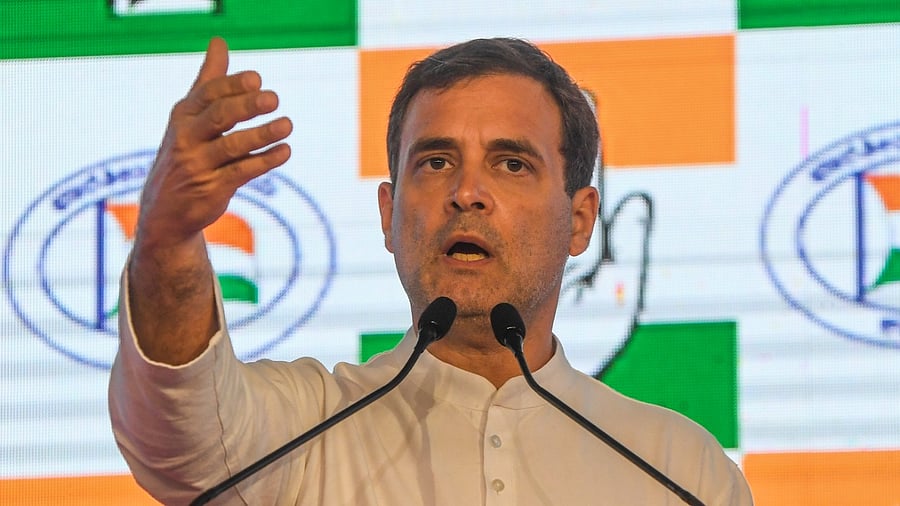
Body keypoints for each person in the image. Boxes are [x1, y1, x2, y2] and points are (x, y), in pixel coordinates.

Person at [109, 36, 753, 505]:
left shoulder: (678, 469)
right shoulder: (305, 430)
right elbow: (177, 436)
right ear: (389, 215)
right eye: (437, 162)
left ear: (580, 220)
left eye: (511, 164)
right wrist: (166, 240)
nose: (467, 192)